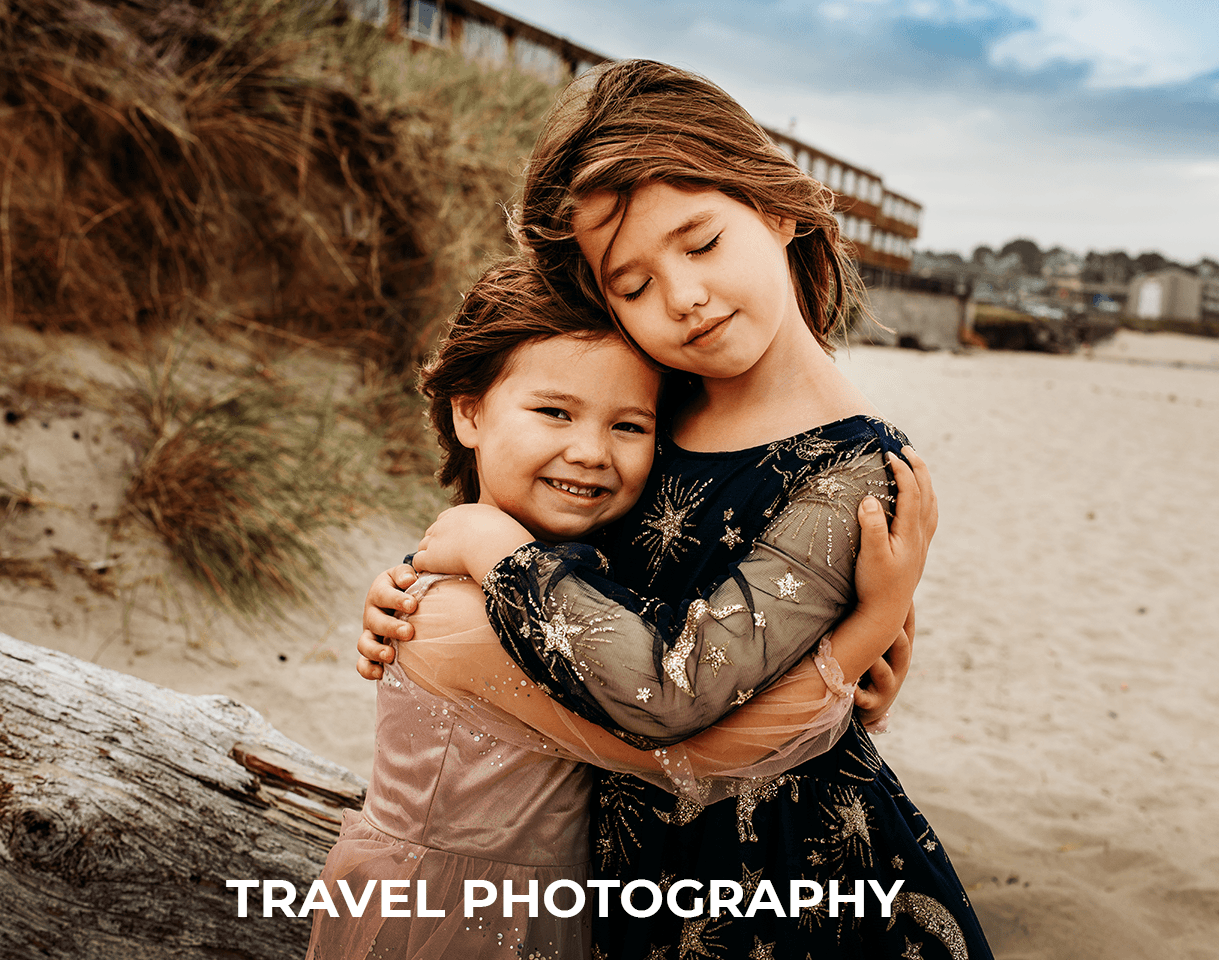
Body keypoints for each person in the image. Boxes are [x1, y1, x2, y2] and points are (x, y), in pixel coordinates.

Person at [360, 61, 990, 959]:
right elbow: (558, 549)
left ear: (774, 208)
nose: (682, 298)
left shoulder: (856, 474)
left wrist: (498, 558)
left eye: (700, 244)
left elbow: (675, 690)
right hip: (633, 869)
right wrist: (413, 590)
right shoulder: (653, 403)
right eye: (632, 284)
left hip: (789, 884)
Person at [311, 258, 932, 960]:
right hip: (449, 924)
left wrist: (853, 686)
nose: (589, 453)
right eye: (554, 411)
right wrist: (860, 637)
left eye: (630, 426)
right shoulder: (461, 617)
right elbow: (692, 754)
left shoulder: (575, 580)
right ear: (468, 411)